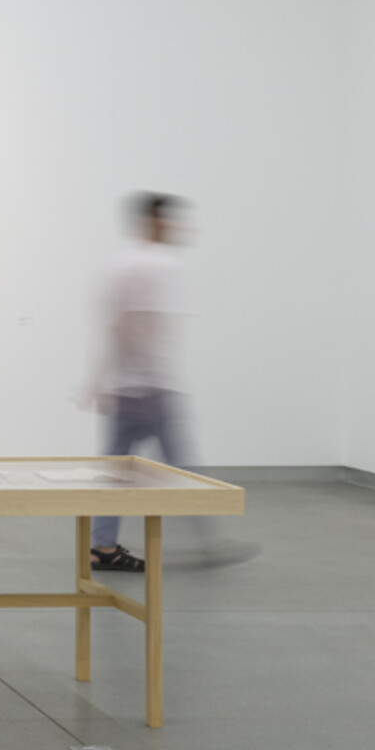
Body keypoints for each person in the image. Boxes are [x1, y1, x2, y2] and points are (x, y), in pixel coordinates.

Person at [83, 193, 256, 571]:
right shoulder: (159, 265)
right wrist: (145, 380)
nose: (179, 227)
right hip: (150, 388)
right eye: (171, 221)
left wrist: (101, 378)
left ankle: (102, 546)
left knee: (117, 472)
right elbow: (137, 326)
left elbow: (116, 325)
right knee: (183, 468)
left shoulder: (122, 263)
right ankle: (211, 541)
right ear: (155, 222)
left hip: (126, 385)